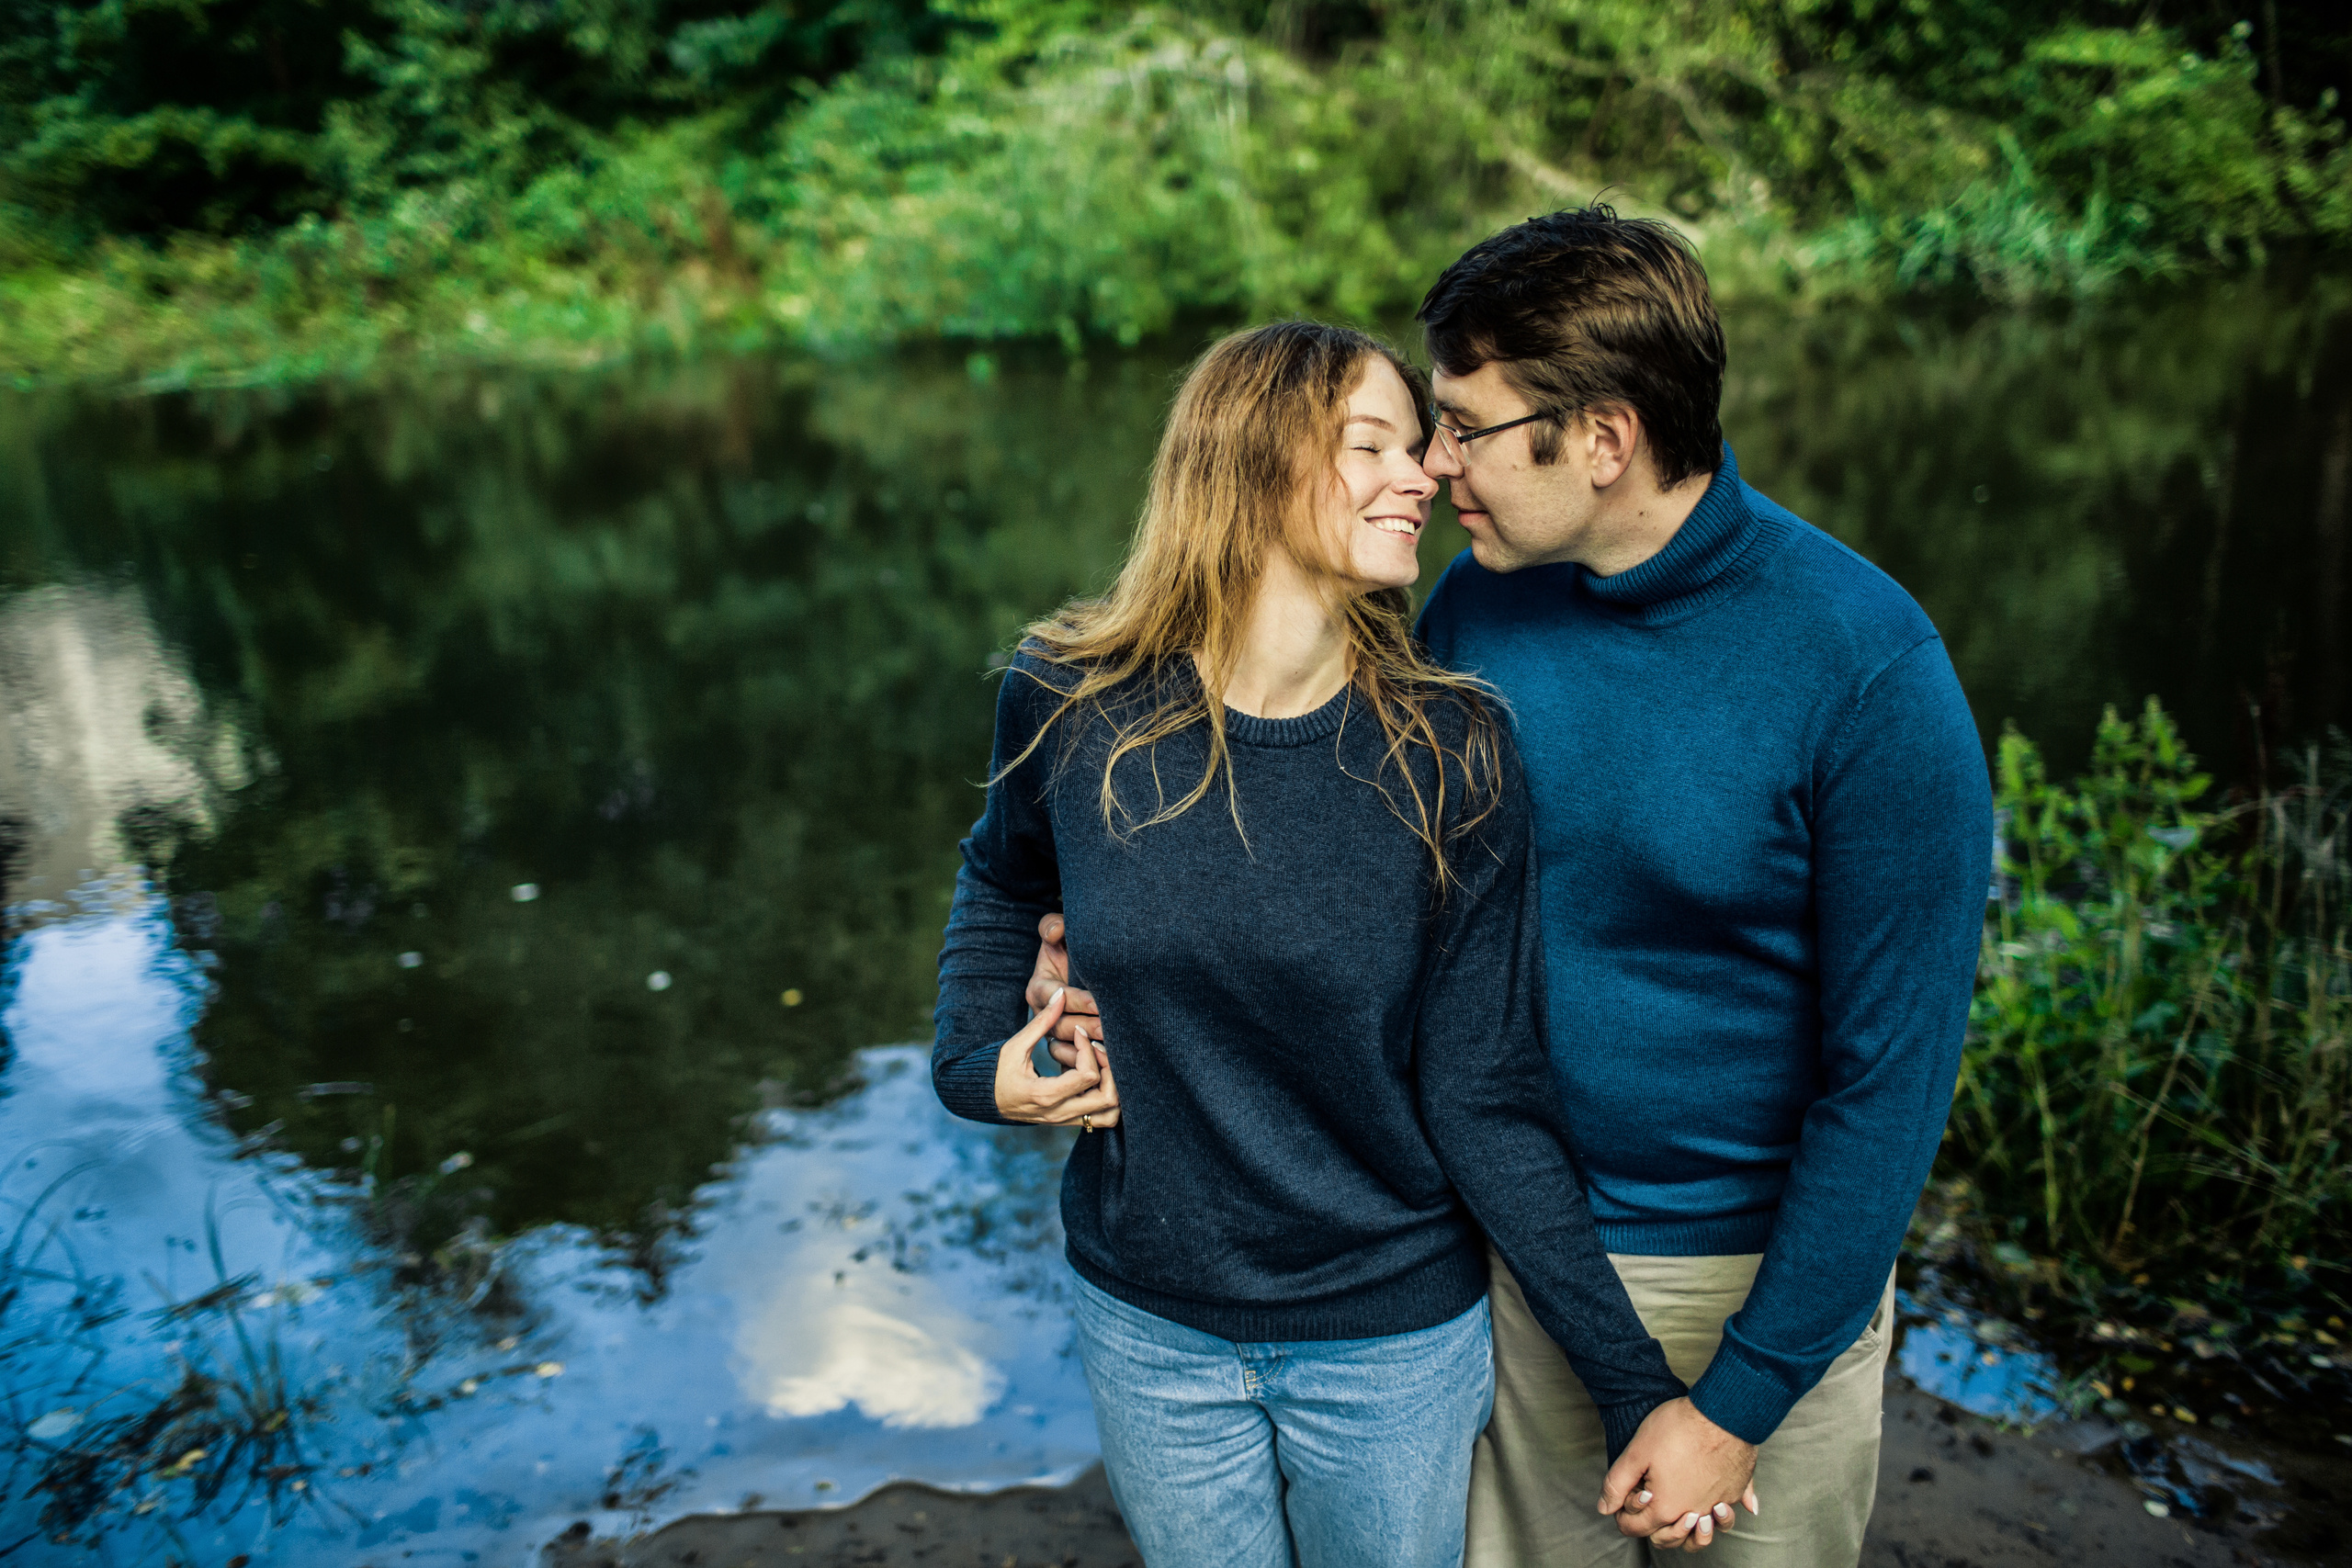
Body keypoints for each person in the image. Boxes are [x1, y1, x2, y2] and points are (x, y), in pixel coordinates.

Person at [1025, 211, 1994, 1566]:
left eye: (1466, 428)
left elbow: (1890, 1083)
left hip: (1753, 1284)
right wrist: (1098, 951)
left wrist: (1743, 1396)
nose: (1433, 465)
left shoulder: (1867, 672)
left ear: (1603, 439)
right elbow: (1318, 857)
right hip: (1503, 1253)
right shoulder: (1476, 616)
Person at [931, 321, 1752, 1568]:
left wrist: (1638, 1389)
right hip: (1149, 1324)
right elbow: (1001, 877)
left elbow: (1487, 1094)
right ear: (1249, 464)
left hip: (1391, 1345)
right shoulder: (1072, 694)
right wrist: (977, 1063)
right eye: (1372, 445)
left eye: (1419, 446)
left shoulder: (1450, 749)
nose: (1423, 474)